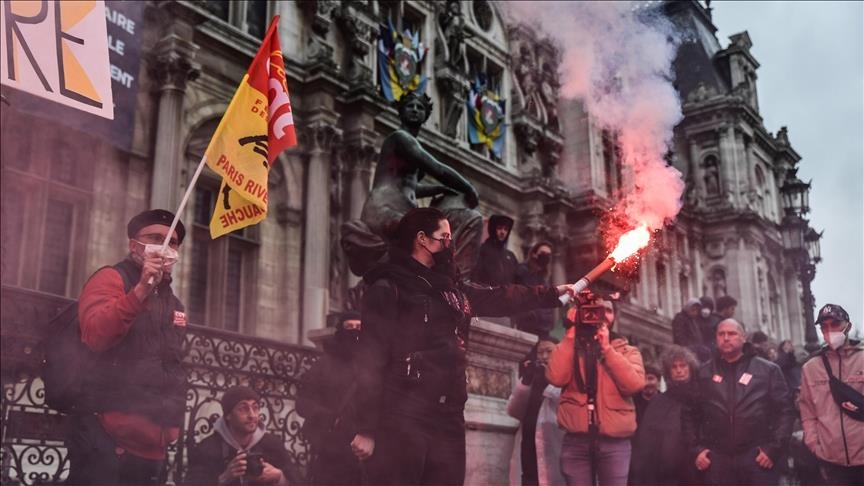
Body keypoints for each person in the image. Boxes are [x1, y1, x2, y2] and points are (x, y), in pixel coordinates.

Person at [352, 207, 574, 485]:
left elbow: (500, 297)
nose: (450, 245)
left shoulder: (452, 290)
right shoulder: (388, 287)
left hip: (449, 414)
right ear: (422, 239)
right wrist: (366, 428)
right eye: (444, 237)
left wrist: (552, 294)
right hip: (403, 414)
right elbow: (370, 360)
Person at [64, 209, 188, 486]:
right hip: (107, 439)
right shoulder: (111, 279)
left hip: (152, 445)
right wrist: (141, 290)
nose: (166, 247)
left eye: (172, 242)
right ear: (135, 245)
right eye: (156, 238)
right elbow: (96, 334)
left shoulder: (174, 304)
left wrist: (172, 427)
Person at [343, 90, 481, 277]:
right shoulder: (400, 138)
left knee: (448, 231)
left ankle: (452, 278)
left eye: (420, 107)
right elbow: (437, 168)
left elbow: (410, 188)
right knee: (428, 240)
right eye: (410, 106)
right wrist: (468, 188)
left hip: (402, 211)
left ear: (425, 115)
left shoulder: (411, 144)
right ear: (400, 112)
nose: (415, 110)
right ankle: (453, 279)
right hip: (384, 210)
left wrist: (439, 189)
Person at [546, 297, 646, 486]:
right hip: (577, 441)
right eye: (593, 310)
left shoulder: (627, 351)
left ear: (615, 316)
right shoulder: (570, 346)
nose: (600, 315)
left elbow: (634, 384)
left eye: (607, 310)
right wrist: (570, 333)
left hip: (614, 442)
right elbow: (555, 378)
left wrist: (607, 349)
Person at [683, 319, 795, 486]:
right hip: (717, 462)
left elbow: (785, 412)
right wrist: (696, 451)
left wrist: (773, 449)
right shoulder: (703, 373)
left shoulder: (768, 370)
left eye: (732, 333)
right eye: (721, 334)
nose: (726, 338)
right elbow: (689, 414)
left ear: (744, 337)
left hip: (757, 458)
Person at [798, 304, 864, 485]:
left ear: (848, 326)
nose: (829, 331)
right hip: (832, 462)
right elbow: (807, 412)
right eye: (824, 327)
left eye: (835, 324)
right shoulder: (810, 368)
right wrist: (815, 445)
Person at [296, 311, 364, 486]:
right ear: (341, 330)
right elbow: (303, 402)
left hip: (363, 450)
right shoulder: (323, 365)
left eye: (359, 327)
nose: (354, 331)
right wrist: (328, 417)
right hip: (330, 448)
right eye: (349, 327)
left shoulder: (374, 366)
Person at [185, 386, 290, 486]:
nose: (252, 415)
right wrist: (223, 479)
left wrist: (280, 477)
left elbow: (298, 481)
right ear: (228, 415)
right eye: (243, 409)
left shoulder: (272, 445)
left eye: (255, 407)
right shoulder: (208, 448)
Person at [629, 345, 700, 486]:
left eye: (683, 365)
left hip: (693, 470)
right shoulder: (659, 401)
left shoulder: (700, 398)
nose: (679, 370)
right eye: (674, 367)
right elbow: (646, 444)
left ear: (690, 368)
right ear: (668, 372)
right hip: (664, 474)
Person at [507, 336, 566, 486]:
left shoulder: (565, 376)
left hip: (553, 441)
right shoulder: (534, 376)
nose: (544, 357)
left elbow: (564, 407)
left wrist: (547, 382)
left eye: (549, 351)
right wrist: (526, 381)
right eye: (540, 352)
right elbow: (513, 410)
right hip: (528, 441)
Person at [512, 242, 556, 337]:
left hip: (543, 327)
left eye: (548, 255)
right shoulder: (521, 271)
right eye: (543, 253)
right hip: (527, 324)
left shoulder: (543, 278)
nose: (546, 257)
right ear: (534, 254)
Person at [472, 214, 518, 287]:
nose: (503, 232)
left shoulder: (511, 256)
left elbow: (516, 280)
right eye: (499, 228)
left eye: (506, 229)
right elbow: (475, 277)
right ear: (493, 229)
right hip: (488, 295)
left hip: (507, 296)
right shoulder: (482, 250)